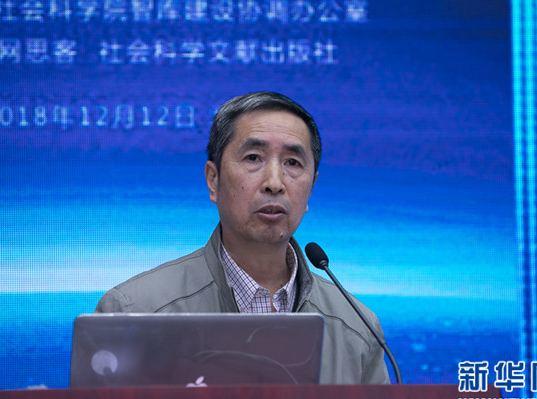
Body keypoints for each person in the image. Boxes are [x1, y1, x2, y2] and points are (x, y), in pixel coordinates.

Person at [95, 91, 391, 384]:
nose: (274, 183)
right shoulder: (132, 314)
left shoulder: (357, 328)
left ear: (311, 188)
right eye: (253, 158)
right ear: (213, 180)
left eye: (292, 163)